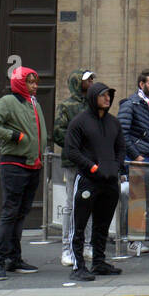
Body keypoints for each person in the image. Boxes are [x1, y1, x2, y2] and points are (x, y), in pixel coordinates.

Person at [0, 66, 46, 280]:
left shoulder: (33, 103)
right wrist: (14, 136)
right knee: (10, 213)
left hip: (32, 165)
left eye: (36, 82)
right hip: (14, 165)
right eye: (30, 82)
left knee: (20, 214)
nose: (35, 86)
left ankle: (14, 259)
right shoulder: (8, 102)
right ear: (19, 83)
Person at [61, 81, 126, 282]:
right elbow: (71, 151)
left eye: (109, 95)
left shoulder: (113, 122)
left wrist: (116, 167)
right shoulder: (79, 122)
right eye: (103, 95)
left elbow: (121, 148)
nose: (107, 98)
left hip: (109, 181)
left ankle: (98, 261)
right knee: (79, 224)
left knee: (103, 224)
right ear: (92, 97)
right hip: (88, 180)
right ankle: (78, 265)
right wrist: (91, 167)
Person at [53, 69, 95, 267]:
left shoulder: (94, 104)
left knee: (89, 203)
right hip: (74, 162)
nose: (92, 82)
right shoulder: (66, 106)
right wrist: (76, 148)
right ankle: (67, 248)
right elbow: (58, 132)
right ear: (79, 82)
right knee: (72, 203)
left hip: (92, 162)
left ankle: (87, 245)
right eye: (88, 80)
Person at [118, 69, 149, 163]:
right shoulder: (130, 104)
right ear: (142, 84)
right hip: (137, 157)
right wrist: (136, 156)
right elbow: (121, 134)